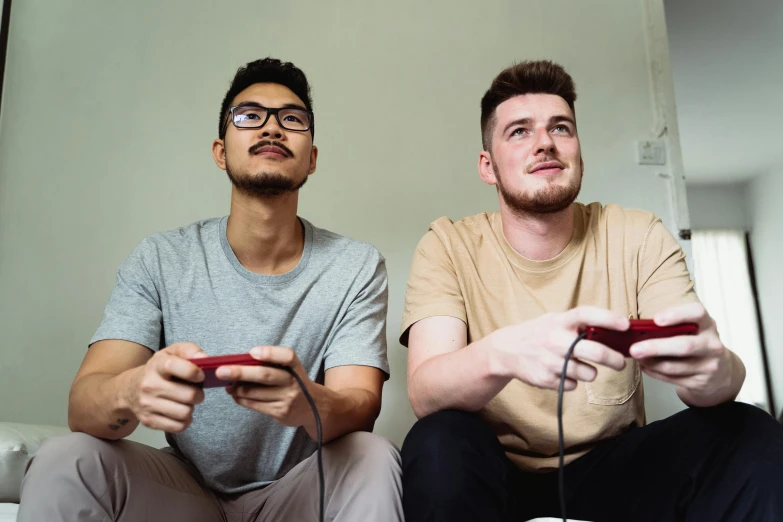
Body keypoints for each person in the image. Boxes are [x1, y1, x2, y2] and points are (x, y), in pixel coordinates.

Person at [18, 58, 402, 522]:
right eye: (249, 115)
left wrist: (308, 402)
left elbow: (360, 407)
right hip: (183, 491)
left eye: (293, 119)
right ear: (220, 151)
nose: (273, 129)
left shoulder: (354, 265)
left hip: (296, 494)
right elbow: (84, 406)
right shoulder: (161, 258)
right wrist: (132, 389)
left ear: (312, 158)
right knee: (67, 457)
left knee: (372, 455)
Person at [400, 60, 783, 522]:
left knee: (748, 430)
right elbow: (426, 393)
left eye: (560, 128)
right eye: (520, 132)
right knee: (437, 439)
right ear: (488, 166)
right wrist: (502, 353)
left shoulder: (637, 234)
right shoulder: (447, 244)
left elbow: (708, 375)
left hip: (612, 469)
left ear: (579, 153)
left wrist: (715, 370)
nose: (545, 143)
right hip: (491, 472)